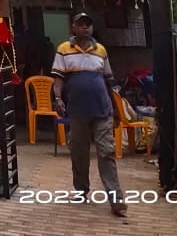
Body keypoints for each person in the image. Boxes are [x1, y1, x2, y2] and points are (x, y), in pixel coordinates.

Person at [52, 12, 126, 216]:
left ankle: (116, 199)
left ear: (92, 28)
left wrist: (116, 109)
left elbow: (109, 81)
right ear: (73, 27)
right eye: (80, 24)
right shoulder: (64, 50)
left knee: (106, 152)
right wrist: (57, 98)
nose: (85, 27)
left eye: (88, 24)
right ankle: (82, 189)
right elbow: (58, 79)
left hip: (102, 110)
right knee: (79, 151)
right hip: (77, 111)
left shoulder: (100, 50)